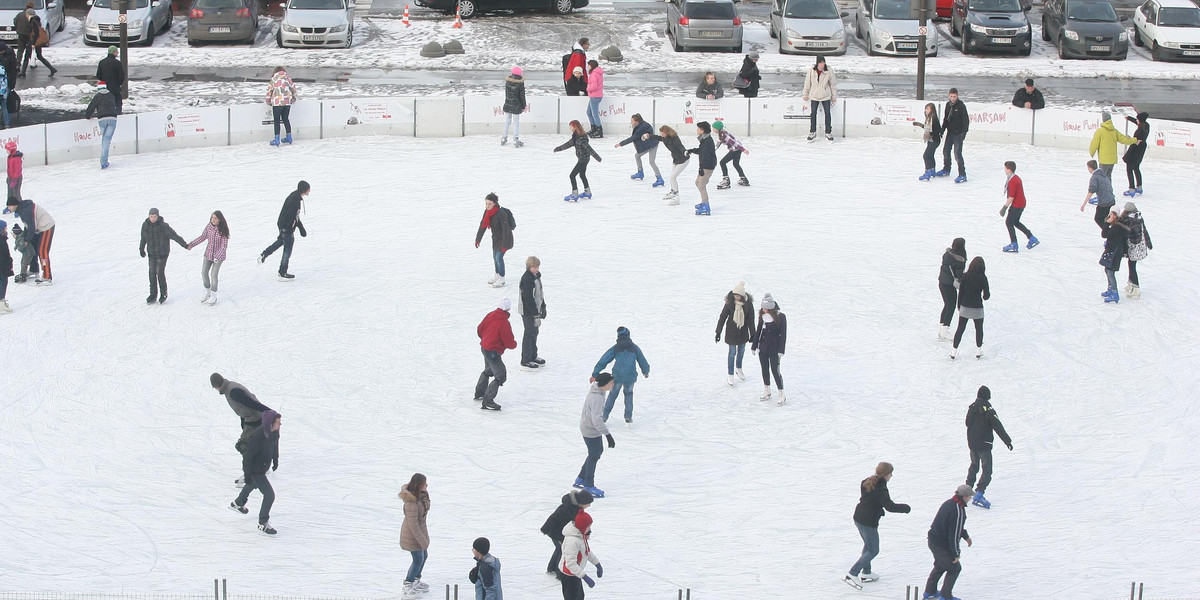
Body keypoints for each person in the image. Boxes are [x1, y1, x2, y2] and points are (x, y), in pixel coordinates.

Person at [843, 462, 910, 590]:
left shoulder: (867, 481)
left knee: (868, 546)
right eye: (890, 473)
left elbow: (870, 499)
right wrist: (905, 508)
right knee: (873, 550)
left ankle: (866, 572)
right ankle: (853, 573)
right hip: (868, 522)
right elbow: (889, 506)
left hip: (859, 517)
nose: (891, 476)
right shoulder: (881, 488)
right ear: (886, 474)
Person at [210, 373, 273, 484]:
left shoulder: (233, 392)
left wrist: (269, 412)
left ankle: (251, 474)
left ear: (216, 385)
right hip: (252, 419)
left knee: (244, 446)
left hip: (254, 420)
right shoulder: (231, 386)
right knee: (256, 444)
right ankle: (262, 467)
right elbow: (245, 405)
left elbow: (251, 403)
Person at [230, 409, 281, 536]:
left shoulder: (274, 432)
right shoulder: (257, 436)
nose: (280, 425)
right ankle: (262, 523)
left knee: (253, 484)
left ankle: (238, 503)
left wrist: (275, 459)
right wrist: (247, 474)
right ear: (270, 423)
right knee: (269, 495)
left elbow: (275, 445)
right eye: (278, 422)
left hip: (262, 467)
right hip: (256, 470)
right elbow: (248, 457)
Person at [964, 385, 1012, 509]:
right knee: (987, 469)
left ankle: (966, 491)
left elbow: (967, 423)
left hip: (973, 444)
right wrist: (1008, 441)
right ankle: (979, 493)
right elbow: (998, 427)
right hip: (984, 445)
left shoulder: (972, 408)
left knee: (974, 466)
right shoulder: (989, 411)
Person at [922, 485, 973, 600]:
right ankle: (945, 595)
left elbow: (953, 527)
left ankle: (929, 592)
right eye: (969, 496)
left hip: (933, 540)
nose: (970, 498)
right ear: (964, 496)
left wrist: (965, 536)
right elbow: (953, 535)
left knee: (940, 565)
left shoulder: (949, 503)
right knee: (954, 568)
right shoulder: (958, 510)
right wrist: (956, 554)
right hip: (941, 544)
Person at [591, 327, 651, 423]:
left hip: (617, 376)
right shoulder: (635, 348)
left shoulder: (615, 348)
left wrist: (595, 373)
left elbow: (604, 360)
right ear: (628, 335)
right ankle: (628, 417)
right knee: (628, 394)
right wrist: (646, 372)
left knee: (613, 395)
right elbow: (642, 361)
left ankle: (604, 416)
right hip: (630, 377)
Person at [575, 373, 616, 498]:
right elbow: (596, 419)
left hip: (589, 427)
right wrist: (608, 435)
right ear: (605, 384)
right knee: (594, 454)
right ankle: (588, 485)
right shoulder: (597, 398)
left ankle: (581, 478)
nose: (613, 384)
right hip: (590, 429)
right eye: (611, 382)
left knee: (596, 452)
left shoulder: (598, 392)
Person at [258, 180, 309, 280]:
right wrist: (287, 229)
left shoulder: (295, 197)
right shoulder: (294, 200)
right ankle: (282, 273)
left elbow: (295, 216)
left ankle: (264, 254)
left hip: (285, 227)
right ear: (304, 190)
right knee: (287, 251)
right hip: (287, 228)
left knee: (280, 242)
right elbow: (289, 216)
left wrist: (300, 228)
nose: (309, 191)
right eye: (308, 189)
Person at [138, 207, 188, 304]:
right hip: (151, 253)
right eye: (151, 216)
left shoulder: (163, 226)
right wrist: (141, 249)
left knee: (159, 272)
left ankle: (163, 293)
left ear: (158, 216)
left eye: (154, 216)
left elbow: (175, 236)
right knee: (151, 273)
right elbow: (143, 238)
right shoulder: (145, 225)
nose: (153, 218)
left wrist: (185, 245)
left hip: (162, 253)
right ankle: (153, 295)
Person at [475, 298, 517, 411]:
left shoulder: (491, 315)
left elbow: (480, 329)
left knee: (488, 370)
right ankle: (488, 401)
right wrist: (514, 344)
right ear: (508, 309)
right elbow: (509, 342)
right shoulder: (504, 322)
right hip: (493, 352)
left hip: (484, 347)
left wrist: (485, 340)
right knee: (500, 376)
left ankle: (480, 393)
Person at [540, 489, 593, 575]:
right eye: (588, 503)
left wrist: (587, 533)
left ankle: (552, 568)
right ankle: (559, 572)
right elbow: (554, 518)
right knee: (563, 551)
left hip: (558, 532)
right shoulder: (569, 508)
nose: (589, 505)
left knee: (559, 549)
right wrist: (545, 529)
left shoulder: (573, 507)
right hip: (556, 532)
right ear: (582, 503)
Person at [715, 281, 755, 386]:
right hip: (732, 332)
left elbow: (751, 320)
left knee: (741, 351)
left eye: (738, 295)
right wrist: (718, 332)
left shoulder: (748, 304)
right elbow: (722, 317)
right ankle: (730, 374)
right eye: (735, 295)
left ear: (742, 295)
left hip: (743, 331)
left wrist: (753, 334)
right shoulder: (729, 303)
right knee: (732, 353)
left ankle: (739, 368)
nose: (736, 297)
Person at [4, 196, 52, 284]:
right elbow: (28, 226)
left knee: (42, 251)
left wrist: (26, 240)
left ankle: (47, 276)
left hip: (46, 226)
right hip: (38, 228)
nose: (8, 208)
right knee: (32, 248)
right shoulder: (21, 209)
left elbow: (31, 226)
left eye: (9, 206)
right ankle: (34, 269)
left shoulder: (25, 211)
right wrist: (26, 238)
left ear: (15, 205)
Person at [399, 473, 432, 599]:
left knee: (424, 556)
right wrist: (422, 540)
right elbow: (413, 525)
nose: (427, 485)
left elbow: (421, 520)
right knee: (418, 559)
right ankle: (408, 584)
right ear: (419, 485)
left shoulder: (421, 496)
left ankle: (416, 580)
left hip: (420, 532)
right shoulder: (411, 503)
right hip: (412, 535)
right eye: (425, 483)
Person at [187, 211, 230, 305]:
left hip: (219, 257)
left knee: (214, 274)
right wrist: (192, 244)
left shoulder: (223, 230)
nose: (213, 220)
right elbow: (202, 237)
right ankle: (207, 290)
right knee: (204, 272)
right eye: (212, 218)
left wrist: (217, 257)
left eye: (215, 218)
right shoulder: (209, 227)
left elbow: (224, 246)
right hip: (208, 254)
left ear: (220, 220)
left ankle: (214, 294)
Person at [558, 510, 603, 600]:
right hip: (568, 574)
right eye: (588, 527)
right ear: (582, 527)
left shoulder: (580, 536)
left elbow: (586, 552)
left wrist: (597, 564)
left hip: (575, 573)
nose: (590, 530)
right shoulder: (572, 541)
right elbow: (570, 563)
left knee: (580, 596)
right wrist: (584, 576)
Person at [474, 192, 516, 288]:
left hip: (505, 239)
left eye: (489, 204)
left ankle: (502, 278)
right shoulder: (487, 212)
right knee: (495, 257)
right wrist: (478, 239)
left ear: (495, 203)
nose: (487, 206)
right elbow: (483, 226)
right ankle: (497, 274)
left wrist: (505, 245)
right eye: (486, 204)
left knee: (498, 258)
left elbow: (506, 230)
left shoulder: (501, 213)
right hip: (496, 239)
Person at [751, 293, 787, 405]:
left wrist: (781, 350)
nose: (763, 309)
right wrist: (754, 346)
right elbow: (758, 331)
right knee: (764, 368)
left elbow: (783, 334)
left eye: (765, 308)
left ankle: (781, 392)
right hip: (763, 348)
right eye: (763, 307)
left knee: (775, 371)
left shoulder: (781, 317)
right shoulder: (762, 317)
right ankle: (767, 390)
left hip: (774, 349)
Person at [951, 257, 988, 360]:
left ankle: (954, 351)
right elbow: (986, 296)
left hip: (965, 307)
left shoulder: (965, 276)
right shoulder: (983, 278)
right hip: (977, 309)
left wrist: (959, 305)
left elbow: (961, 293)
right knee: (979, 329)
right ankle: (978, 350)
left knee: (960, 329)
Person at [554, 120, 602, 202]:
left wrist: (597, 157)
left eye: (571, 126)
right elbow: (567, 144)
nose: (570, 128)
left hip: (583, 160)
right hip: (584, 159)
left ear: (575, 127)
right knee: (582, 175)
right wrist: (558, 149)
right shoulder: (576, 137)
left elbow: (589, 149)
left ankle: (574, 194)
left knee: (572, 176)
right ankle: (587, 192)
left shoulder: (581, 138)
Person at [643, 125, 689, 205]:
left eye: (663, 133)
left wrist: (685, 151)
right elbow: (658, 138)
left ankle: (676, 197)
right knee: (672, 177)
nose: (662, 135)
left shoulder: (674, 138)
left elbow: (680, 146)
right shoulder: (665, 138)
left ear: (667, 132)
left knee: (672, 178)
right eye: (661, 133)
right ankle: (672, 192)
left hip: (683, 159)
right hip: (676, 159)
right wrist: (648, 136)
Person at [1000, 160, 1038, 253]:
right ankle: (1031, 238)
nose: (1004, 170)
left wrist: (1004, 208)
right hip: (1021, 203)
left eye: (1005, 168)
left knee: (1009, 222)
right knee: (1015, 222)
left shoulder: (1013, 180)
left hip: (1017, 204)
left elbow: (1011, 197)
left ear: (1009, 169)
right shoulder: (1015, 178)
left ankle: (1014, 243)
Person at [614, 113, 661, 187]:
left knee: (651, 162)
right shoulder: (641, 125)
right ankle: (640, 173)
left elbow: (633, 138)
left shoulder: (640, 128)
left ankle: (659, 178)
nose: (631, 123)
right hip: (648, 144)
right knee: (637, 156)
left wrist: (620, 144)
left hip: (653, 145)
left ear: (637, 121)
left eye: (632, 121)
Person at [1089, 110, 1140, 178]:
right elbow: (1124, 140)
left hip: (1104, 160)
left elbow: (1094, 144)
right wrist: (1135, 140)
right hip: (1112, 160)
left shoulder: (1100, 131)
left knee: (1102, 178)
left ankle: (1104, 189)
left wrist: (1091, 153)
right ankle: (1109, 188)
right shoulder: (1114, 131)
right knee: (1108, 176)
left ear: (1103, 120)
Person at [518, 256, 547, 370]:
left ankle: (533, 356)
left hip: (536, 309)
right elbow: (528, 299)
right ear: (529, 267)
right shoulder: (527, 280)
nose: (537, 269)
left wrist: (543, 306)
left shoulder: (536, 276)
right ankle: (525, 359)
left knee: (535, 332)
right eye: (535, 267)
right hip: (527, 311)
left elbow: (539, 293)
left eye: (538, 266)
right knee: (529, 333)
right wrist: (535, 315)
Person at [85, 82, 119, 169]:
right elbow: (116, 104)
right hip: (112, 119)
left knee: (104, 140)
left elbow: (91, 107)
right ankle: (104, 161)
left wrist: (88, 116)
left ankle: (104, 162)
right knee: (107, 140)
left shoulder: (97, 96)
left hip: (102, 119)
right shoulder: (111, 95)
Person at [937, 88, 969, 182]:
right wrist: (942, 129)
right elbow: (946, 119)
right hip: (950, 133)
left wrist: (964, 132)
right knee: (946, 151)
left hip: (958, 134)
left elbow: (966, 120)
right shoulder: (948, 105)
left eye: (954, 96)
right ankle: (946, 169)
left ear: (957, 96)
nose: (953, 98)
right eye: (951, 96)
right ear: (949, 96)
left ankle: (962, 174)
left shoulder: (961, 106)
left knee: (957, 154)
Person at [937, 238, 966, 342]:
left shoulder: (947, 255)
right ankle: (945, 330)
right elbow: (959, 276)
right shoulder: (959, 260)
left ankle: (941, 329)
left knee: (946, 305)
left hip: (941, 282)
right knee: (951, 306)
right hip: (949, 285)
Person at [803, 55, 837, 141]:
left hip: (825, 95)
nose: (822, 64)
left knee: (827, 113)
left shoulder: (829, 71)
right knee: (813, 113)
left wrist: (834, 95)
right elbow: (807, 83)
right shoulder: (811, 71)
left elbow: (833, 84)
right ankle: (812, 131)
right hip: (814, 96)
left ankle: (828, 132)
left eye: (823, 62)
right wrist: (805, 94)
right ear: (817, 63)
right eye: (821, 62)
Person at [1121, 201, 1150, 299]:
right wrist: (1149, 244)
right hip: (1140, 246)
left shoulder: (1128, 220)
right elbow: (1144, 230)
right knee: (1131, 265)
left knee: (1132, 267)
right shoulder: (1139, 217)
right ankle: (1130, 284)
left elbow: (1125, 235)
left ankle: (1136, 288)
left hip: (1133, 246)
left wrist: (1123, 249)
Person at [688, 121, 717, 216]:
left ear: (702, 130)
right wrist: (691, 150)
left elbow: (705, 155)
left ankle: (706, 205)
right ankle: (704, 202)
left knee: (701, 185)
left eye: (698, 128)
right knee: (697, 183)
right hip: (706, 165)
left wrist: (702, 168)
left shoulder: (707, 141)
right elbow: (701, 151)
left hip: (707, 166)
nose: (697, 130)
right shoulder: (705, 139)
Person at [1100, 209, 1129, 304]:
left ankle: (1114, 292)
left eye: (1111, 215)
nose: (1109, 216)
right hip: (1113, 251)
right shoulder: (1116, 226)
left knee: (1110, 272)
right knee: (1107, 270)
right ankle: (1110, 288)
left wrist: (1106, 224)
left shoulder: (1116, 227)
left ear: (1115, 216)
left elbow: (1104, 234)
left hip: (1115, 253)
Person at [711, 121, 749, 190]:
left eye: (714, 128)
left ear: (718, 128)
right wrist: (711, 151)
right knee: (736, 164)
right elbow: (717, 144)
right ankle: (744, 179)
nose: (713, 130)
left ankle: (726, 181)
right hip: (737, 150)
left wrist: (743, 149)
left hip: (735, 150)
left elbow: (734, 142)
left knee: (722, 163)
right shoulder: (721, 134)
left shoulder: (724, 135)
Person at [1080, 159, 1115, 231]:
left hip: (1104, 202)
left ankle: (1108, 233)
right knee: (1107, 218)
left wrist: (1084, 204)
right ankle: (1110, 231)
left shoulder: (1094, 177)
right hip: (1111, 199)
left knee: (1098, 218)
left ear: (1090, 168)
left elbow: (1091, 191)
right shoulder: (1102, 173)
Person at [266, 66, 297, 147]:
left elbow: (270, 91)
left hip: (277, 103)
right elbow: (294, 89)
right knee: (286, 119)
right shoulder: (288, 78)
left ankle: (277, 139)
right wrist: (293, 99)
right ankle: (289, 137)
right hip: (287, 102)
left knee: (276, 121)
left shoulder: (273, 79)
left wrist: (268, 101)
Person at [1122, 112, 1149, 197]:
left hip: (1135, 150)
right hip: (1142, 149)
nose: (1136, 120)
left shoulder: (1139, 131)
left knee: (1129, 169)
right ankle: (1139, 187)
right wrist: (1129, 118)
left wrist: (1130, 138)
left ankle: (1131, 189)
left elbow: (1135, 140)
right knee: (1136, 168)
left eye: (1137, 119)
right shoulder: (1146, 125)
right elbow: (1137, 122)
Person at [915, 102, 943, 181]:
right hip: (931, 140)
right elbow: (927, 127)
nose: (926, 110)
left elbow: (938, 130)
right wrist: (919, 124)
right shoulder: (928, 118)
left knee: (926, 156)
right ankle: (932, 171)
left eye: (928, 109)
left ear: (932, 110)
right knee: (930, 155)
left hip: (935, 140)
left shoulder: (934, 118)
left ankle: (927, 172)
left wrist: (930, 134)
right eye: (926, 108)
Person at [23, 11, 55, 76]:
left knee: (27, 56)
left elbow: (36, 33)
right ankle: (52, 69)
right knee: (39, 56)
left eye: (27, 14)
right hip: (36, 41)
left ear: (29, 14)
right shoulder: (36, 20)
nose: (26, 15)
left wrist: (33, 43)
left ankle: (23, 72)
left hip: (33, 41)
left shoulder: (33, 21)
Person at [501, 66, 526, 148]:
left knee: (507, 121)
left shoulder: (508, 81)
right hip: (516, 105)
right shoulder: (520, 83)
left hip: (508, 104)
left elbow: (506, 94)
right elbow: (522, 96)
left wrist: (507, 102)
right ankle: (515, 139)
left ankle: (504, 137)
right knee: (516, 123)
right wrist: (524, 106)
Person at [95, 46, 124, 113]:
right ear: (114, 52)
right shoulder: (117, 63)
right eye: (117, 51)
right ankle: (117, 115)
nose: (118, 52)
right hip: (115, 87)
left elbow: (98, 75)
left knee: (106, 102)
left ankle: (107, 113)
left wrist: (104, 80)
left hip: (105, 87)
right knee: (118, 103)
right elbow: (121, 76)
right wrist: (118, 83)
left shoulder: (102, 62)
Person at [585, 59, 604, 138]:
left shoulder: (594, 74)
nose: (588, 66)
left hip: (595, 96)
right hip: (595, 96)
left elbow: (594, 86)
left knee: (594, 114)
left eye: (589, 65)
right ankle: (594, 128)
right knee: (589, 112)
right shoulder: (597, 73)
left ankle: (599, 130)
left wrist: (587, 89)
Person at [13, 4, 33, 78]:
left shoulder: (20, 14)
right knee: (28, 51)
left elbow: (15, 22)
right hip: (29, 35)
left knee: (20, 50)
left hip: (21, 34)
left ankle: (18, 64)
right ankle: (30, 63)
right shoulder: (32, 16)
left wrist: (18, 28)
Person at [0, 218, 11, 314]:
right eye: (5, 229)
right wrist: (8, 266)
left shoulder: (2, 240)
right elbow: (4, 256)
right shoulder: (1, 241)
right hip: (2, 268)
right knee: (3, 283)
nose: (6, 230)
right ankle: (1, 303)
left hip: (3, 267)